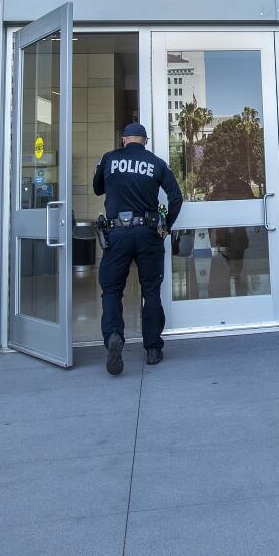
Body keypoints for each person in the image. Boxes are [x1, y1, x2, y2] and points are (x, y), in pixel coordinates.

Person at [93, 122, 183, 375]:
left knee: (111, 290)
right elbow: (176, 198)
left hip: (116, 233)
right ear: (145, 140)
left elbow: (97, 188)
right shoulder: (156, 163)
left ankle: (113, 337)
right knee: (151, 290)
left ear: (123, 140)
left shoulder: (109, 159)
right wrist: (167, 227)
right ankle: (153, 348)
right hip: (148, 233)